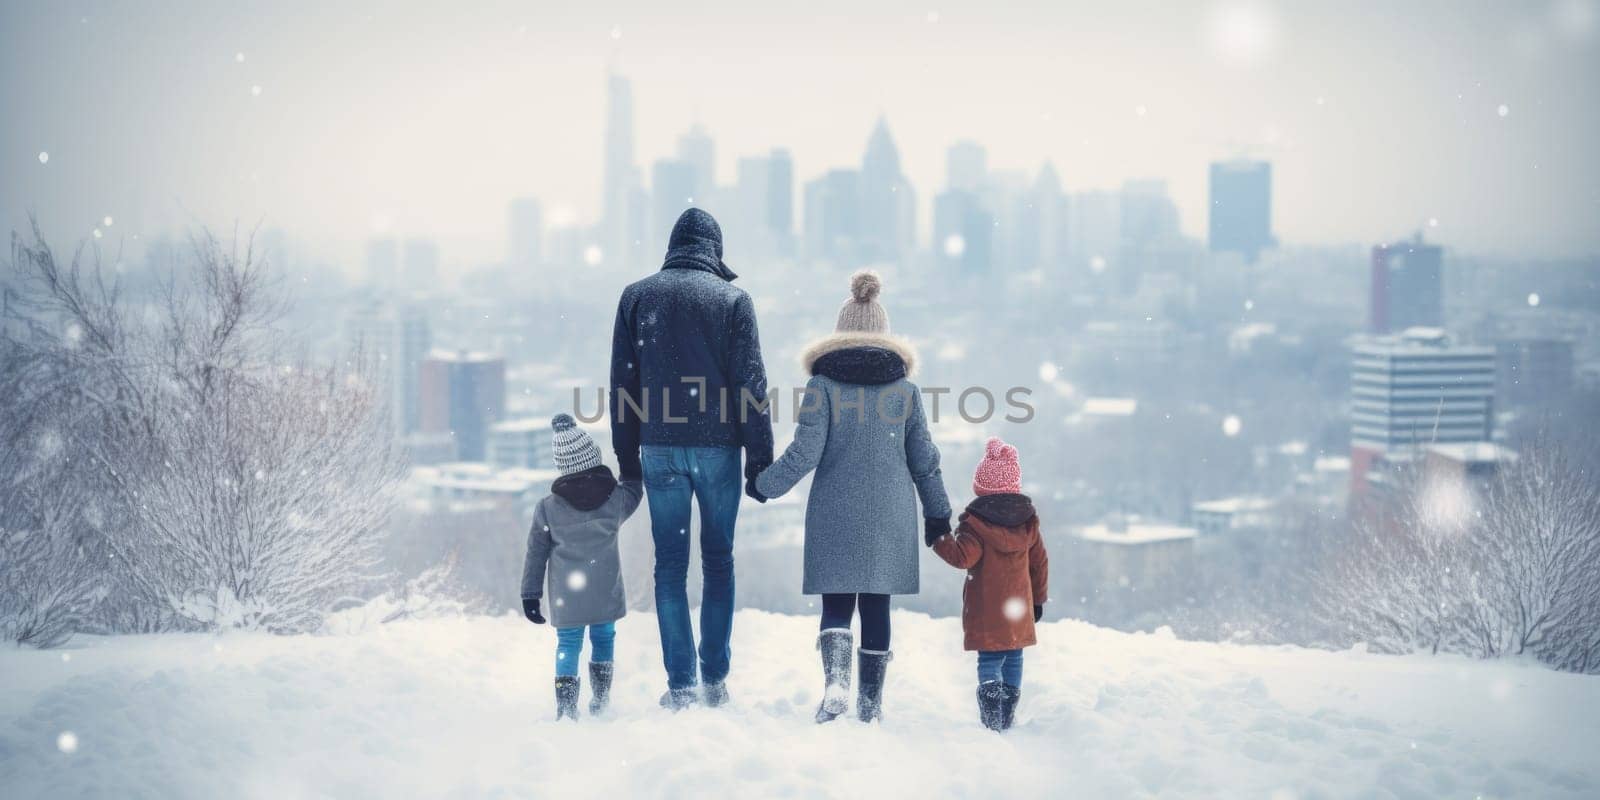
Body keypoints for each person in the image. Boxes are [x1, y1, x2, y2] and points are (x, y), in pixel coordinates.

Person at [756, 270, 951, 724]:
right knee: (877, 606)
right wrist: (938, 514)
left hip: (835, 510)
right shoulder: (904, 392)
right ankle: (869, 703)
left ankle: (836, 685)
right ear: (885, 336)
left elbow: (805, 452)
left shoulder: (823, 387)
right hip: (890, 514)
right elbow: (925, 460)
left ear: (838, 336)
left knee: (837, 603)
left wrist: (766, 485)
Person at [610, 208, 774, 710]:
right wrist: (760, 458)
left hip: (658, 447)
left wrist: (627, 458)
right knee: (718, 561)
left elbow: (623, 385)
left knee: (670, 566)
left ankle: (681, 683)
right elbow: (751, 385)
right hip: (718, 448)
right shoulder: (732, 301)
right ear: (715, 251)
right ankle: (715, 678)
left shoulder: (637, 296)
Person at [520, 414, 644, 721]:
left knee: (568, 646)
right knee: (603, 639)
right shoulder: (615, 500)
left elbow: (536, 553)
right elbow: (634, 487)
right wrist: (630, 461)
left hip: (568, 595)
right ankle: (601, 701)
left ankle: (566, 710)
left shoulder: (548, 508)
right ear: (593, 457)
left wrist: (530, 594)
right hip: (605, 590)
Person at [927, 436, 1049, 732]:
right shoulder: (1028, 523)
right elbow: (1040, 563)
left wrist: (939, 536)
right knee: (1014, 656)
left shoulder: (976, 524)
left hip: (987, 609)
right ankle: (1006, 713)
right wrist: (1038, 600)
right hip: (1018, 608)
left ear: (981, 488)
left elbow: (962, 557)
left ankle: (991, 716)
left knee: (990, 660)